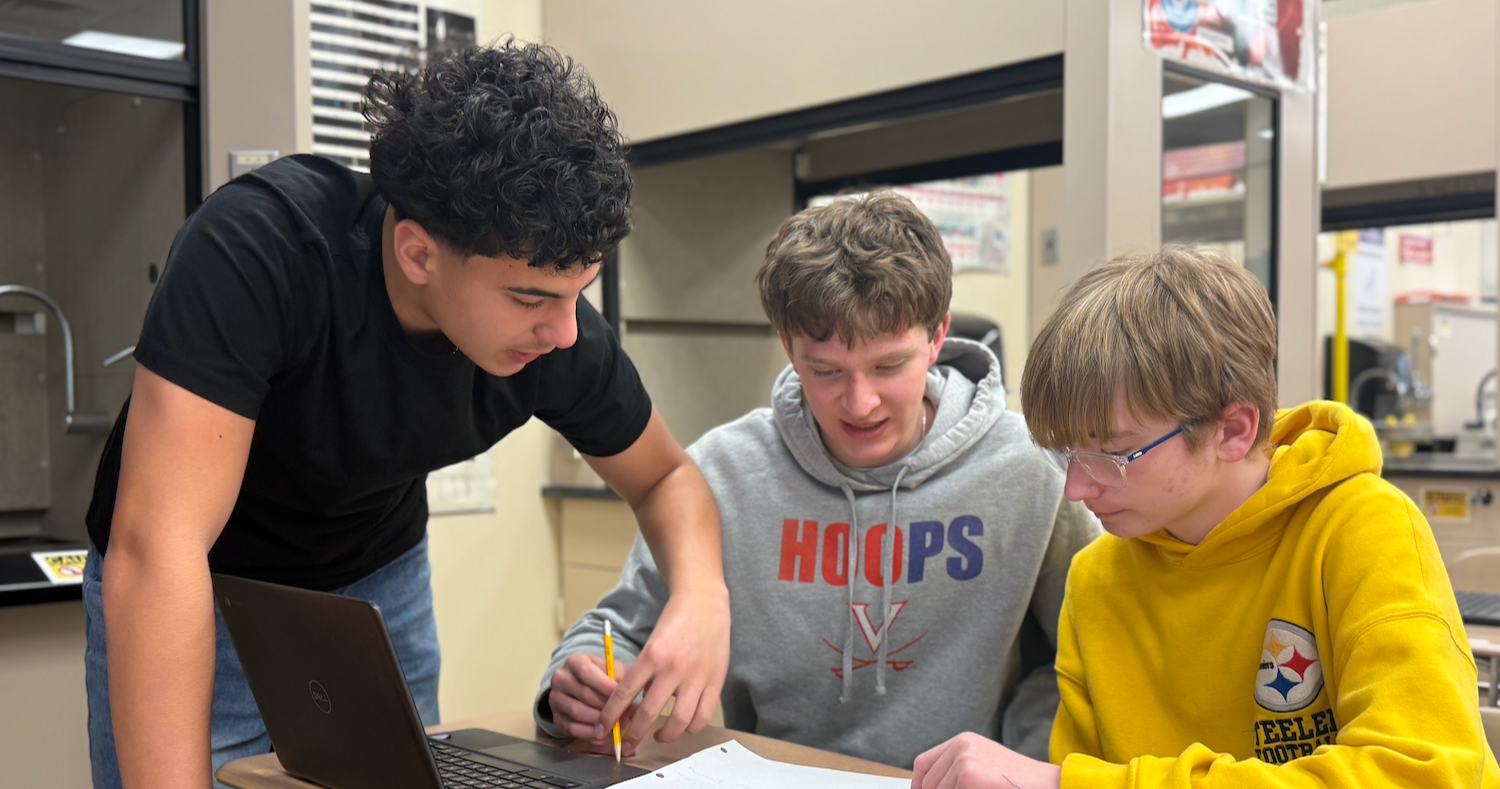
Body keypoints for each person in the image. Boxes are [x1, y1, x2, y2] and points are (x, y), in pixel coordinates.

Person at [83, 42, 730, 789]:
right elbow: (158, 543)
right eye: (529, 298)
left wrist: (700, 595)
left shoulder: (560, 337)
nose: (563, 332)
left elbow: (667, 477)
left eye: (577, 291)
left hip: (372, 576)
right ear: (418, 253)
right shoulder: (262, 249)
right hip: (195, 576)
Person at [535, 191, 1101, 768]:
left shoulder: (1033, 470)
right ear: (788, 347)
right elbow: (618, 628)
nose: (860, 403)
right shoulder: (725, 473)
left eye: (889, 366)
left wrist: (1025, 757)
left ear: (937, 338)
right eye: (825, 371)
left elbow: (1092, 656)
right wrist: (578, 683)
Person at [912, 245, 1500, 788]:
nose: (1076, 488)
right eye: (1064, 452)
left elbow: (1423, 773)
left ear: (1234, 430)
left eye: (1114, 453)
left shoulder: (1360, 529)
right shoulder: (1097, 580)